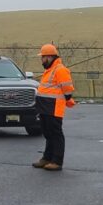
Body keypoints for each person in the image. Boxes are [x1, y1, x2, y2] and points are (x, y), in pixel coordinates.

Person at [32, 44, 75, 172]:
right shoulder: (50, 69)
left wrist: (68, 99)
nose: (41, 60)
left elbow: (68, 89)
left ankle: (57, 161)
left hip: (54, 108)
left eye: (43, 57)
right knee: (47, 133)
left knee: (55, 134)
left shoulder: (60, 69)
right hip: (45, 107)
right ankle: (47, 158)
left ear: (49, 57)